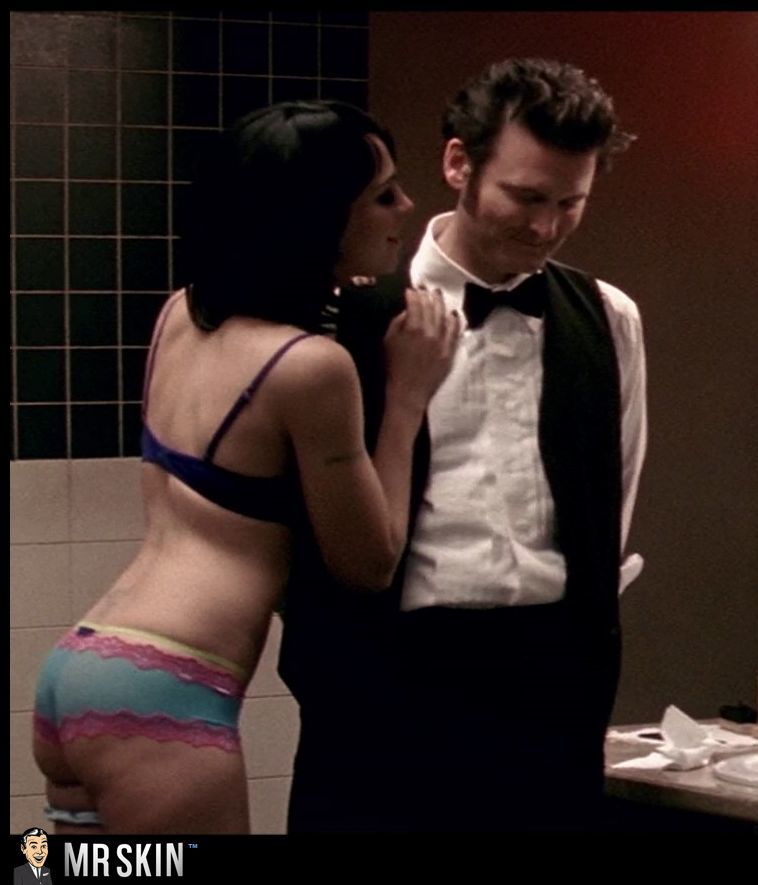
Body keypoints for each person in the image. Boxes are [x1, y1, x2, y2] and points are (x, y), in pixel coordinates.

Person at [30, 101, 460, 834]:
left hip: (85, 668)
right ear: (321, 217)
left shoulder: (181, 314)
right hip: (168, 692)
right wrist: (407, 398)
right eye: (383, 195)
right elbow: (369, 561)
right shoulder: (311, 369)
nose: (407, 206)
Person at [279, 58, 647, 832]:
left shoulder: (610, 316)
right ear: (457, 163)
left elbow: (612, 501)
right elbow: (295, 529)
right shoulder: (344, 315)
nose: (545, 226)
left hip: (552, 693)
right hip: (388, 688)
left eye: (570, 203)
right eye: (526, 197)